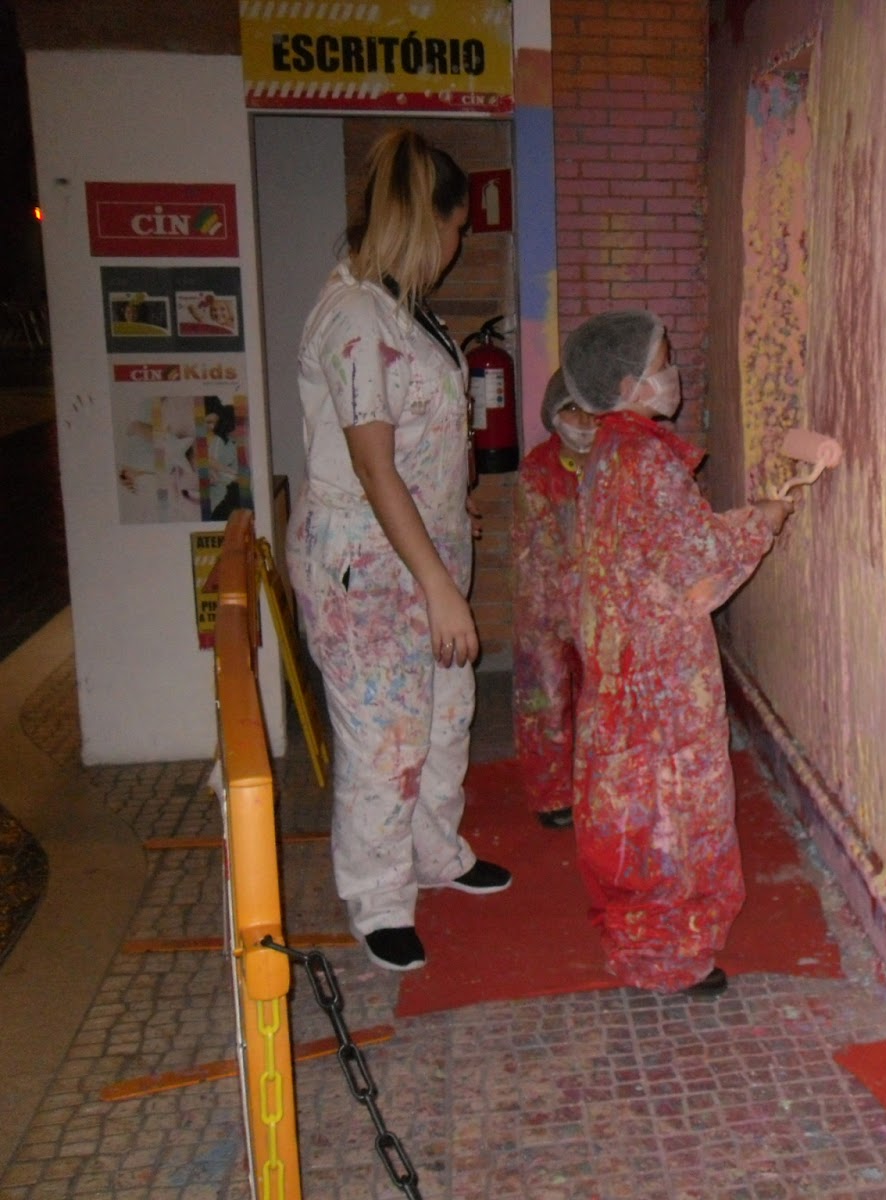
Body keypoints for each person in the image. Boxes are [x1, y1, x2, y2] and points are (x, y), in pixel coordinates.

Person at [286, 128, 510, 973]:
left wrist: (452, 503)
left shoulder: (401, 305)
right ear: (428, 222)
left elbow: (418, 442)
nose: (459, 246)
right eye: (456, 229)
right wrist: (439, 585)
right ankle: (378, 898)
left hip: (422, 551)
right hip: (366, 569)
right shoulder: (353, 317)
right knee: (387, 737)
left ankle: (435, 852)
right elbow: (374, 467)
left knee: (446, 715)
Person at [562, 309, 793, 996]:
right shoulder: (645, 460)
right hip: (657, 671)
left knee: (631, 802)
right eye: (662, 365)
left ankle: (644, 943)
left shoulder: (611, 451)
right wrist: (762, 522)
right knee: (669, 806)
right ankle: (665, 956)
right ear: (628, 386)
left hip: (622, 660)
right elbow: (697, 564)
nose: (676, 375)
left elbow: (660, 545)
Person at [511, 368, 597, 830]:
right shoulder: (537, 468)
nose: (582, 422)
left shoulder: (612, 463)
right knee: (545, 697)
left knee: (598, 695)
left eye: (591, 411)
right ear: (553, 414)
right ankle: (552, 793)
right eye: (571, 410)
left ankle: (598, 784)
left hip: (600, 601)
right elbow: (536, 545)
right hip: (544, 606)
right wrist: (560, 606)